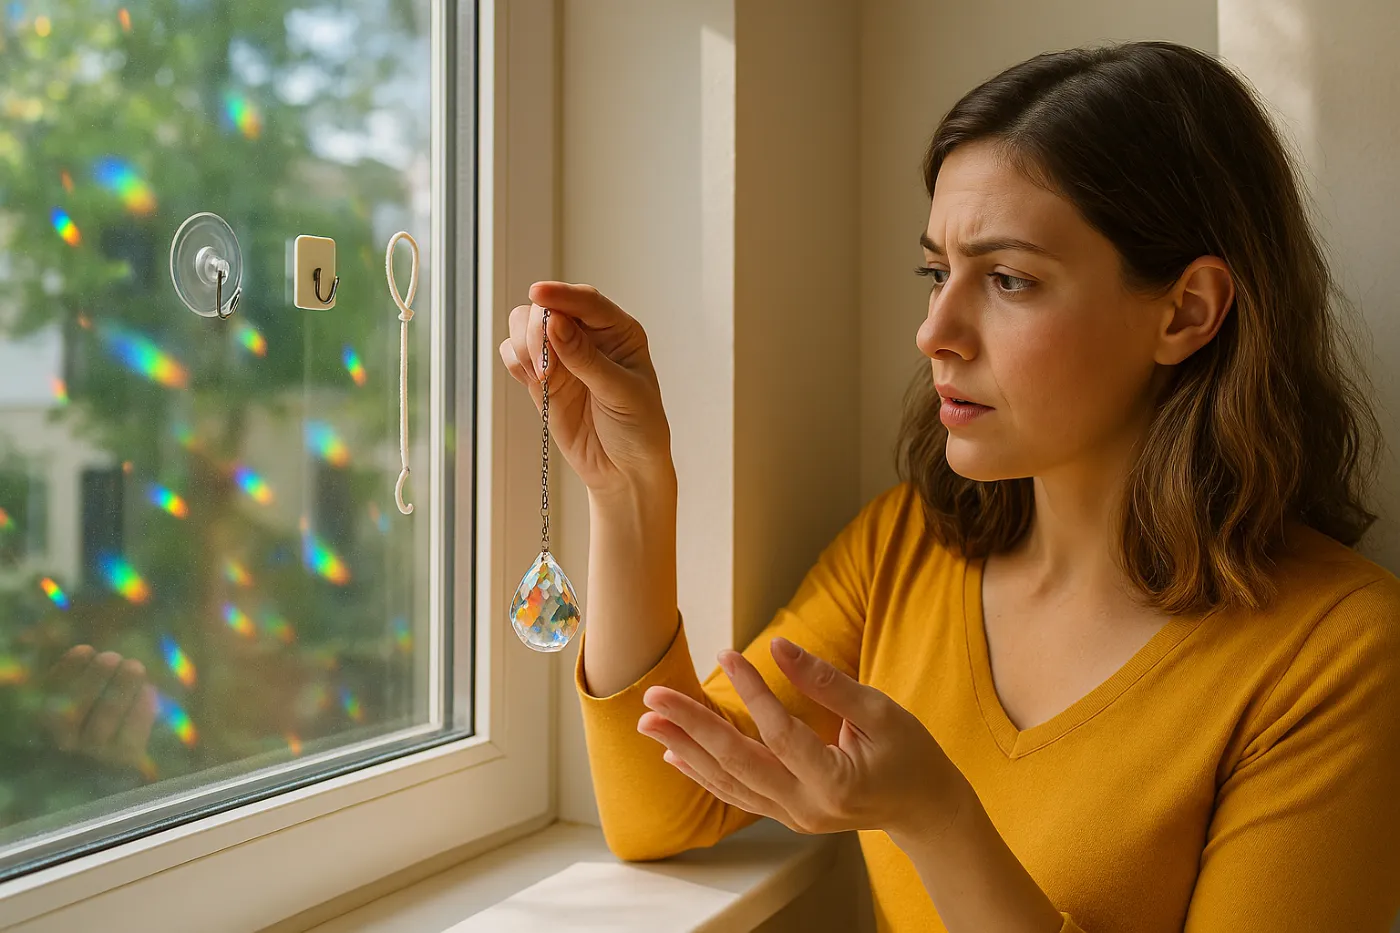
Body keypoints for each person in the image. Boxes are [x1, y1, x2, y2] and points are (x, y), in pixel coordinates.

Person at [499, 40, 1400, 933]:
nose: (935, 330)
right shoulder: (905, 549)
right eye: (937, 273)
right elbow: (663, 805)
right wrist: (630, 486)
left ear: (1187, 310)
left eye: (1008, 279)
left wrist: (936, 817)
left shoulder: (1336, 653)